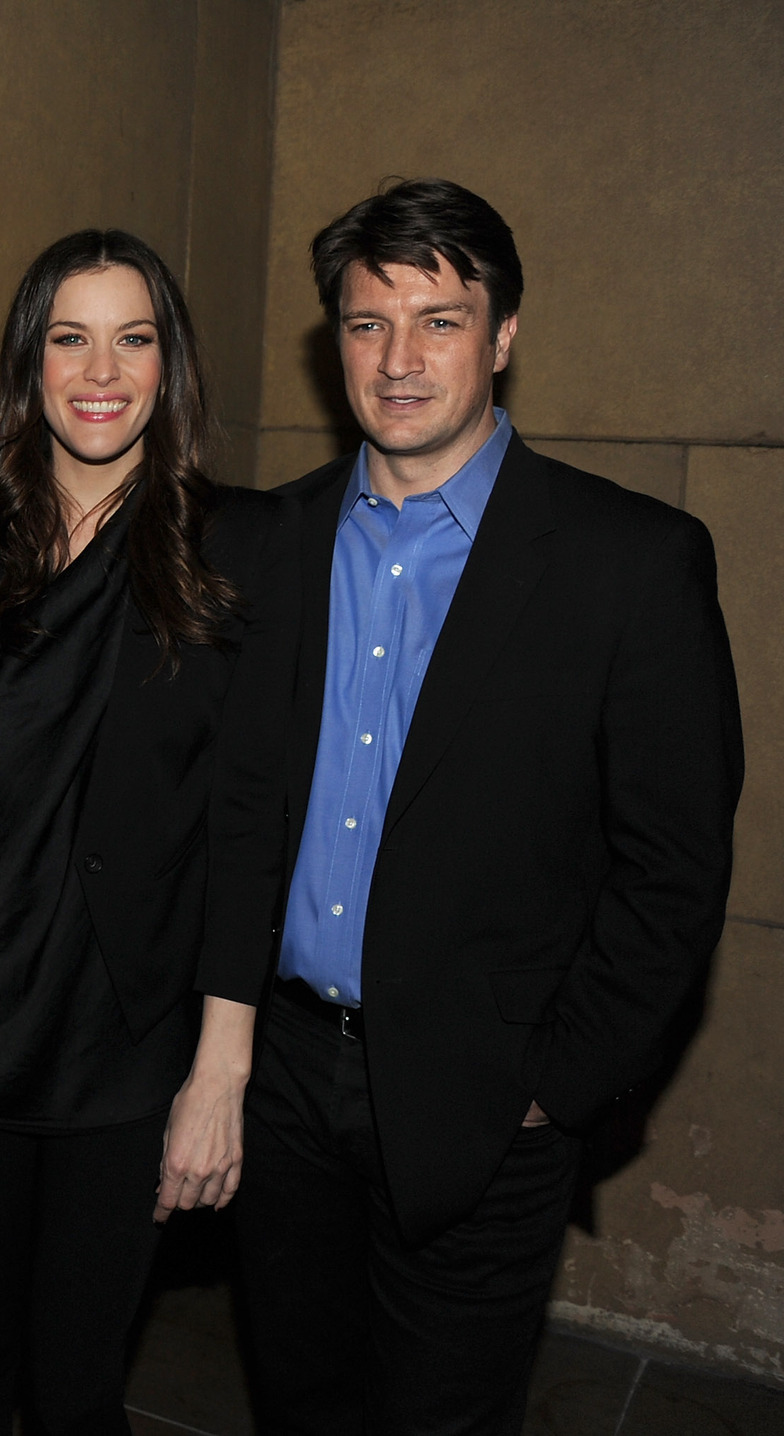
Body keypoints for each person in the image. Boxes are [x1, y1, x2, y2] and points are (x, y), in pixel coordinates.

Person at [232, 178, 742, 1435]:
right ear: (331, 340)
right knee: (296, 1402)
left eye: (438, 320)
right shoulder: (266, 542)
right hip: (279, 1084)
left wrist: (551, 1087)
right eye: (365, 322)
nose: (397, 359)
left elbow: (671, 872)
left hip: (479, 1103)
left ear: (502, 335)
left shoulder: (628, 562)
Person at [0, 230, 293, 1436]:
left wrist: (220, 1067)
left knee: (75, 1383)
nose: (98, 368)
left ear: (167, 367)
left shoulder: (242, 547)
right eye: (68, 336)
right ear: (29, 363)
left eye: (132, 337)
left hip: (124, 1041)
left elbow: (248, 818)